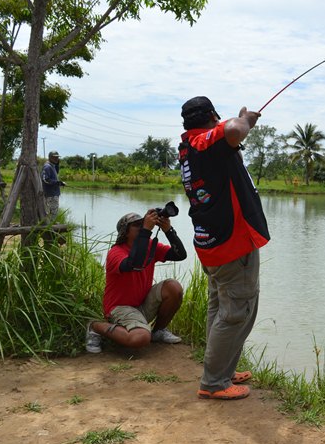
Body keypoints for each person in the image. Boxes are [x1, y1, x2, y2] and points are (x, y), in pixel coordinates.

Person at [178, 96, 270, 400]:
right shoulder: (207, 141)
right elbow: (232, 130)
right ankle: (214, 382)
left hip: (212, 242)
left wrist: (238, 126)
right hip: (231, 243)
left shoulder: (191, 146)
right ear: (212, 115)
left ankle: (222, 371)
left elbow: (228, 139)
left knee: (221, 308)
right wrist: (245, 120)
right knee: (236, 311)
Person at [85, 209, 187, 353]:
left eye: (142, 223)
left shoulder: (150, 245)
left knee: (173, 287)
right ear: (126, 232)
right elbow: (134, 263)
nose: (141, 226)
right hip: (119, 308)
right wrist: (146, 230)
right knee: (140, 338)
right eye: (137, 225)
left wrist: (168, 230)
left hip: (141, 304)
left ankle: (157, 332)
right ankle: (95, 326)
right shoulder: (116, 252)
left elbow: (180, 255)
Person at [41, 151, 65, 218]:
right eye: (55, 157)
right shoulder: (47, 167)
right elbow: (45, 179)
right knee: (51, 213)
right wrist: (57, 183)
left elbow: (55, 175)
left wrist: (60, 183)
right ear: (50, 157)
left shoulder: (53, 166)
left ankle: (51, 225)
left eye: (57, 157)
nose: (56, 159)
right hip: (50, 194)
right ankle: (50, 226)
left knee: (54, 212)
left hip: (54, 193)